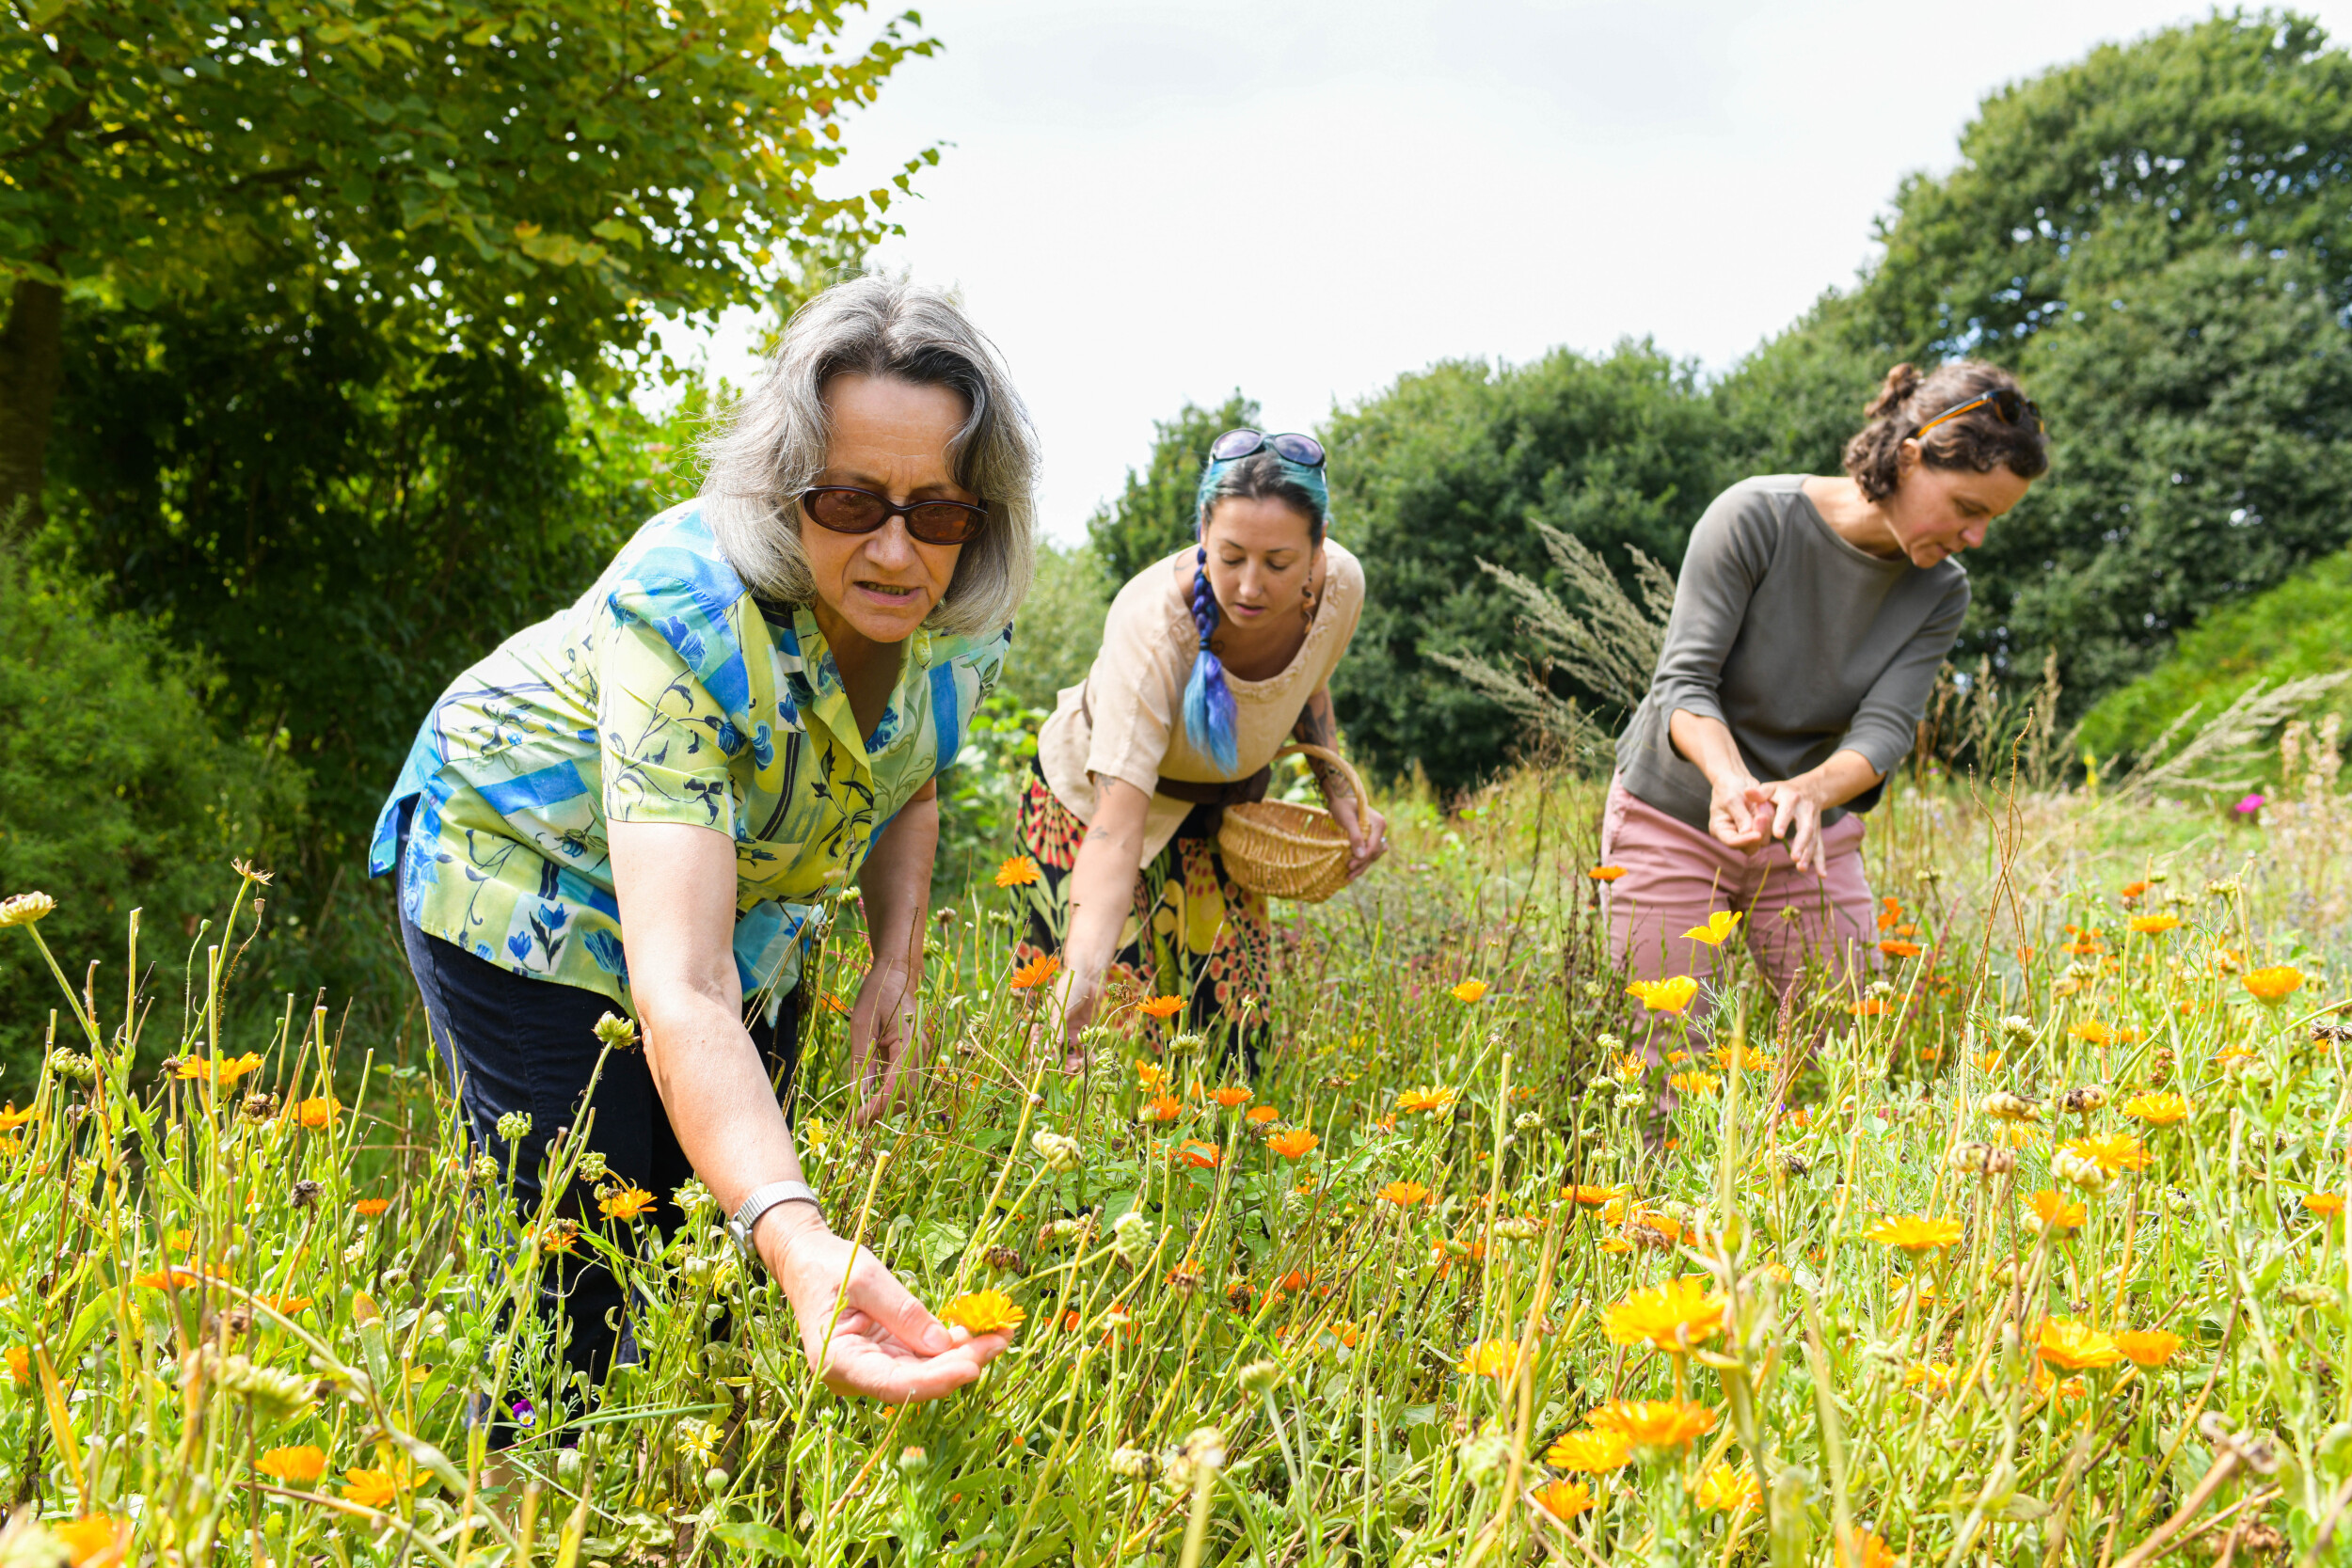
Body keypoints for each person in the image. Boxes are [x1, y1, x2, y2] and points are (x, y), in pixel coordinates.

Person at [369, 277, 1033, 1407]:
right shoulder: (679, 611)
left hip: (740, 894)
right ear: (783, 490)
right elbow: (681, 979)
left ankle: (686, 1479)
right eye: (848, 500)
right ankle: (519, 1484)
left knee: (722, 1224)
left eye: (937, 509)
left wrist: (894, 960)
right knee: (588, 1227)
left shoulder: (963, 616)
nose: (895, 550)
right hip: (524, 866)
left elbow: (903, 783)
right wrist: (796, 1228)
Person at [1604, 361, 2049, 1000]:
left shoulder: (1942, 591)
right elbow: (1685, 683)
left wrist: (1808, 792)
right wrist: (1732, 783)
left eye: (1989, 522)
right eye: (1966, 508)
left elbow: (1885, 728)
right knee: (1664, 1062)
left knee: (1843, 1056)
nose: (1975, 537)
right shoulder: (1754, 517)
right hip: (1673, 816)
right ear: (1909, 457)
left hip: (1810, 836)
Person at [1015, 429, 1388, 1062]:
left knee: (1233, 1035)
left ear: (1318, 549)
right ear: (1203, 532)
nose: (1249, 586)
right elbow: (1115, 830)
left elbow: (1310, 687)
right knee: (1106, 1043)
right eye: (1231, 556)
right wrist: (1081, 975)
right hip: (1091, 811)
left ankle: (1222, 1159)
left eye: (1278, 563)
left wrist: (1341, 797)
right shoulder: (1153, 626)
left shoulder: (1342, 586)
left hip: (1219, 813)